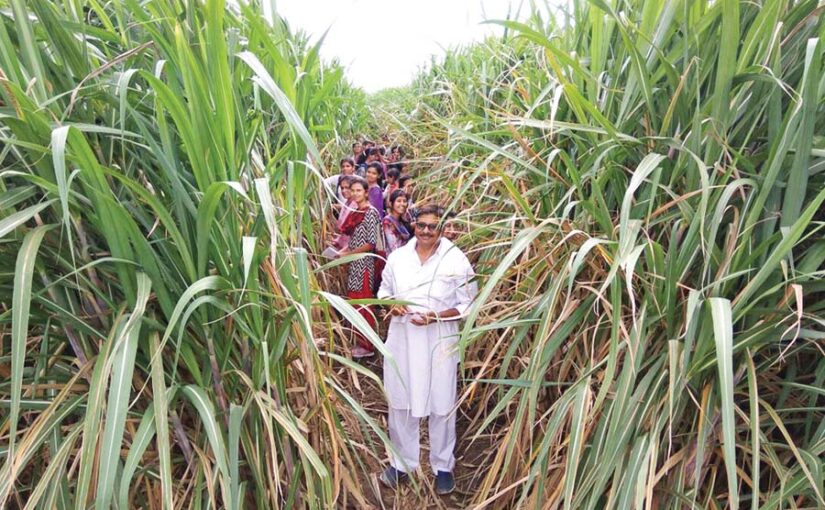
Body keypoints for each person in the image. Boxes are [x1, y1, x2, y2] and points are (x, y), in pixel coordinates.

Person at [376, 204, 478, 495]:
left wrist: (436, 317)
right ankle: (401, 463)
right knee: (400, 402)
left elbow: (468, 303)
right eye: (421, 225)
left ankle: (443, 466)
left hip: (439, 342)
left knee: (442, 404)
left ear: (442, 228)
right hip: (403, 340)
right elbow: (383, 291)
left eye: (433, 226)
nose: (426, 231)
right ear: (414, 225)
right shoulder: (398, 258)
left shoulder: (456, 260)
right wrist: (392, 304)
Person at [337, 176, 382, 358]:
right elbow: (354, 240)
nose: (355, 193)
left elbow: (370, 243)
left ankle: (367, 345)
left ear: (366, 192)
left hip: (364, 265)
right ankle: (360, 342)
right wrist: (341, 252)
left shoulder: (370, 213)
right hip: (355, 264)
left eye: (358, 190)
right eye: (352, 190)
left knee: (363, 304)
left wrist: (349, 254)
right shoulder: (357, 211)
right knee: (355, 303)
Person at [382, 190, 412, 255]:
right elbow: (394, 247)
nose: (402, 204)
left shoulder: (402, 220)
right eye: (399, 201)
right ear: (391, 204)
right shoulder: (387, 222)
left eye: (404, 201)